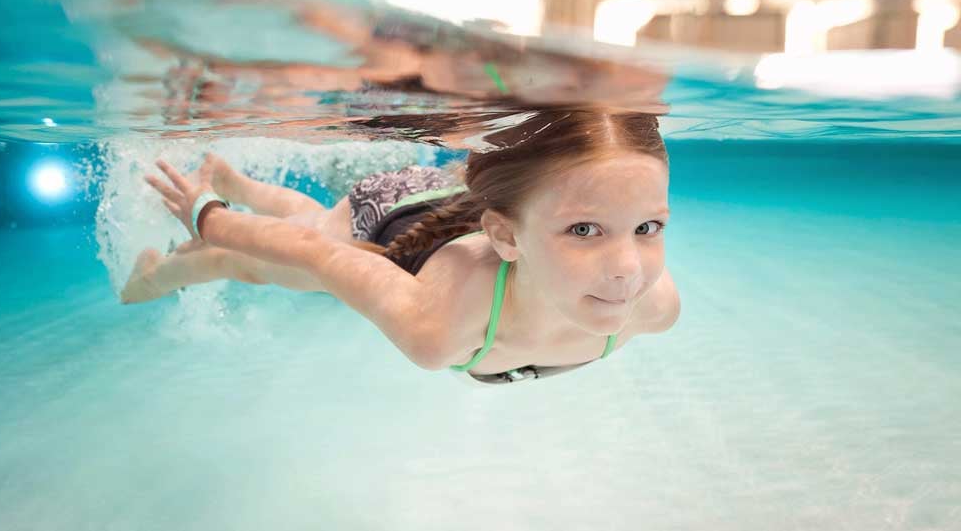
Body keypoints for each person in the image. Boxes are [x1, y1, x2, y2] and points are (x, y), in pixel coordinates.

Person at [121, 110, 680, 385]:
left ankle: (240, 183)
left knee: (316, 226)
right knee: (276, 266)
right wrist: (206, 216)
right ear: (508, 238)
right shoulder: (438, 325)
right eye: (584, 230)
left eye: (648, 228)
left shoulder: (654, 306)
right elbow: (312, 254)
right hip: (396, 211)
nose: (628, 272)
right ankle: (160, 273)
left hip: (471, 208)